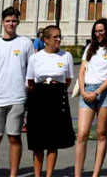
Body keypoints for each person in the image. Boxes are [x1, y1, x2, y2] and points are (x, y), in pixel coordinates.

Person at [0, 7, 34, 177]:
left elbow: (31, 72)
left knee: (14, 137)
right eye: (8, 21)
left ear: (18, 22)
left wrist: (29, 95)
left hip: (17, 98)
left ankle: (13, 174)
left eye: (14, 21)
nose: (11, 24)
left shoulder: (26, 43)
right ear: (2, 23)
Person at [26, 25, 76, 177]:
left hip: (57, 95)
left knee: (53, 141)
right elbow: (30, 82)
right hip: (39, 96)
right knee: (38, 140)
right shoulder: (35, 58)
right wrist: (42, 92)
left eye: (60, 37)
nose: (59, 40)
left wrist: (56, 89)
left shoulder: (66, 56)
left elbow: (68, 79)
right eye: (55, 37)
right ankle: (37, 174)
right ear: (46, 39)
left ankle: (49, 174)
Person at [76, 18, 107, 177]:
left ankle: (95, 173)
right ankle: (78, 173)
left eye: (101, 30)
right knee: (82, 134)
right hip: (87, 90)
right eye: (96, 31)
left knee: (101, 134)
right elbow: (81, 71)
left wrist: (97, 92)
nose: (98, 34)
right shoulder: (90, 48)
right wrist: (83, 90)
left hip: (104, 92)